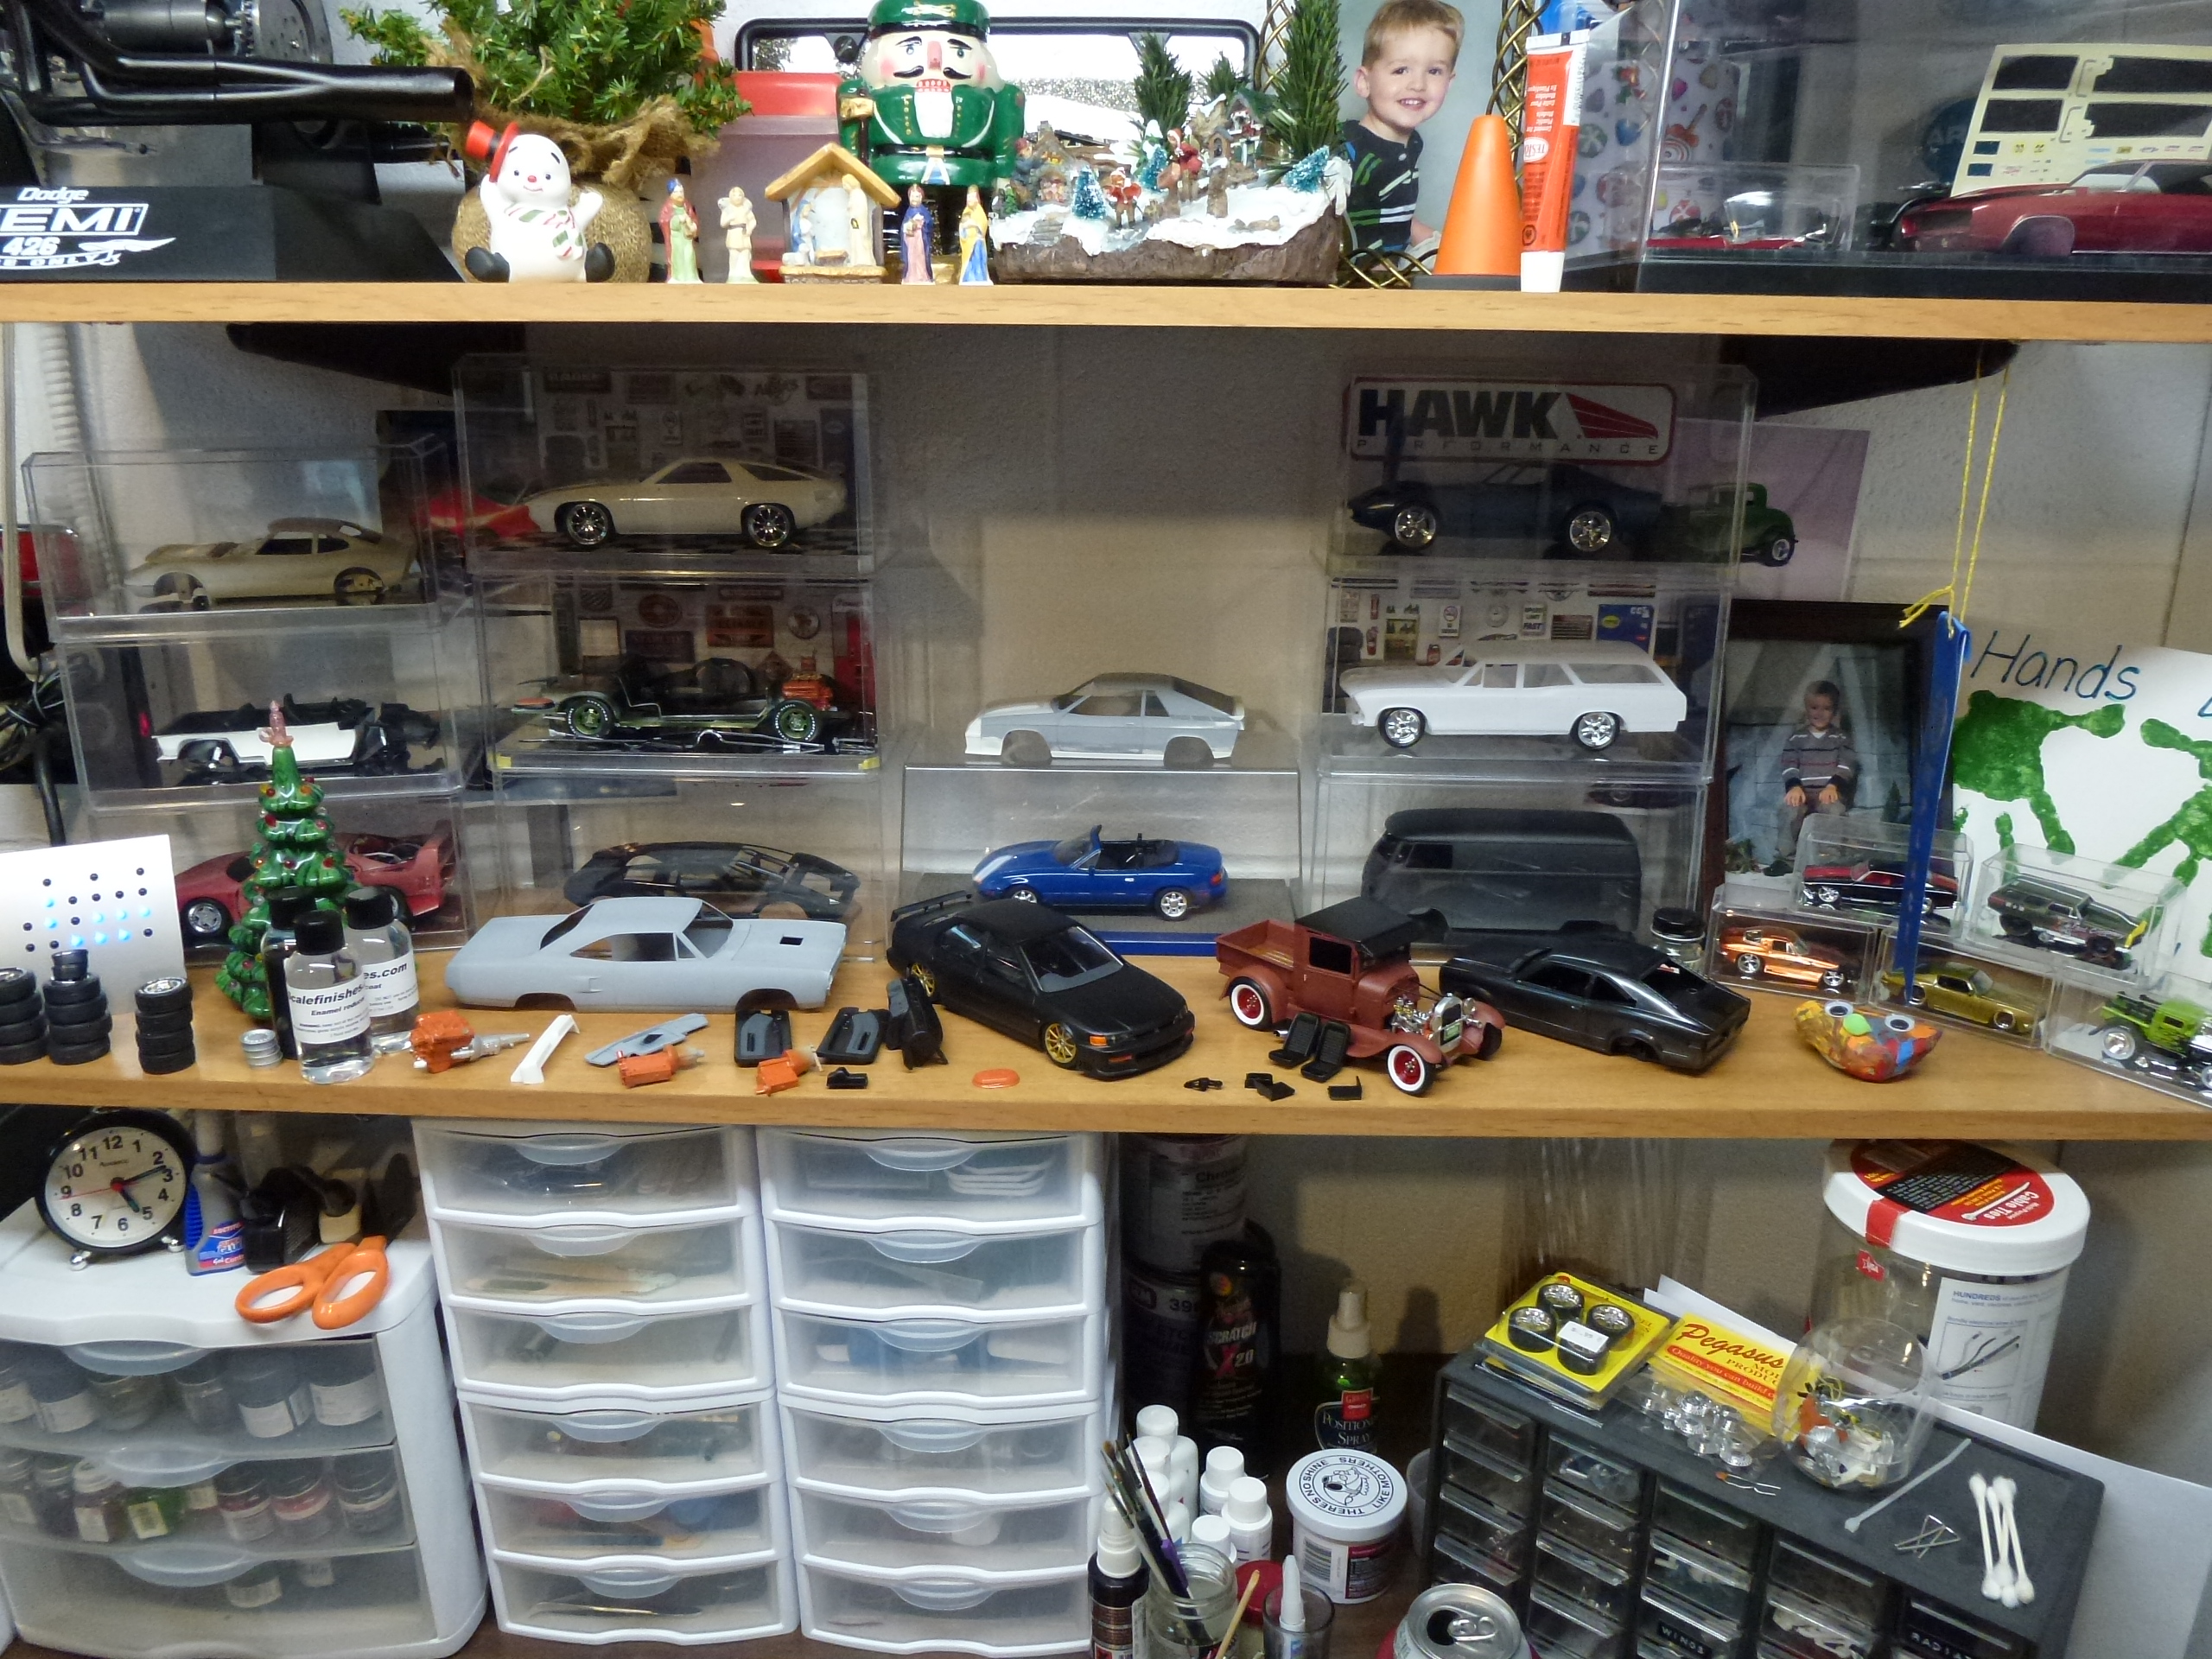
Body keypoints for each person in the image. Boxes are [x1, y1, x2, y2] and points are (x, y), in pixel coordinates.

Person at [1340, 0, 1462, 255]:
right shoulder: (1351, 152)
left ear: (1449, 83)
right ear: (1364, 82)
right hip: (1358, 269)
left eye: (1434, 71)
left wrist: (1440, 243)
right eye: (1401, 70)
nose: (1418, 84)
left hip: (1395, 263)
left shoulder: (1412, 143)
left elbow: (1394, 214)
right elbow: (1343, 230)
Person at [1773, 679, 1859, 872]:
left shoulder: (1840, 738)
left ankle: (1829, 859)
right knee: (1788, 811)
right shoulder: (1797, 738)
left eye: (1826, 708)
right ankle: (1786, 859)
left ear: (1834, 711)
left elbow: (1846, 765)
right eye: (1814, 707)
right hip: (1803, 792)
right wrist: (1794, 786)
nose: (1819, 713)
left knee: (1834, 811)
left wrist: (1833, 785)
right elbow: (1789, 764)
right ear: (1806, 708)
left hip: (1828, 792)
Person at [660, 178, 701, 283]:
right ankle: (678, 277)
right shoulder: (668, 207)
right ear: (671, 194)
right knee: (678, 258)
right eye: (677, 192)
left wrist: (693, 225)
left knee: (689, 256)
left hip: (687, 238)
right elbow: (664, 220)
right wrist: (677, 219)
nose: (680, 194)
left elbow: (693, 218)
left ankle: (691, 277)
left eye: (681, 191)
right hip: (676, 239)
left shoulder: (686, 205)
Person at [718, 185, 758, 283]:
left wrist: (750, 229)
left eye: (740, 195)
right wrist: (729, 218)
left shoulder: (745, 209)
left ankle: (746, 273)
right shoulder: (728, 210)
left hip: (744, 233)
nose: (737, 197)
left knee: (745, 253)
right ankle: (733, 273)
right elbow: (723, 223)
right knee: (734, 254)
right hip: (734, 233)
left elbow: (753, 221)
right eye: (735, 195)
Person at [899, 184, 938, 283]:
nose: (914, 199)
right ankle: (911, 276)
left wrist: (921, 223)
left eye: (917, 196)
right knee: (911, 259)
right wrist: (909, 225)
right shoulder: (908, 211)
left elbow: (929, 224)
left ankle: (922, 276)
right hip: (911, 241)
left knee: (921, 258)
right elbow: (904, 226)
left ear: (921, 198)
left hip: (920, 239)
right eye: (912, 196)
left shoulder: (924, 211)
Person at [957, 185, 992, 283]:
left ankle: (979, 277)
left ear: (977, 198)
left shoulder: (980, 212)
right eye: (968, 197)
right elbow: (962, 226)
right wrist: (964, 227)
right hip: (968, 243)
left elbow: (983, 225)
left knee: (978, 260)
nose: (970, 199)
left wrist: (975, 224)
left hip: (977, 242)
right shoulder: (966, 211)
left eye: (973, 197)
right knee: (969, 262)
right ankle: (968, 278)